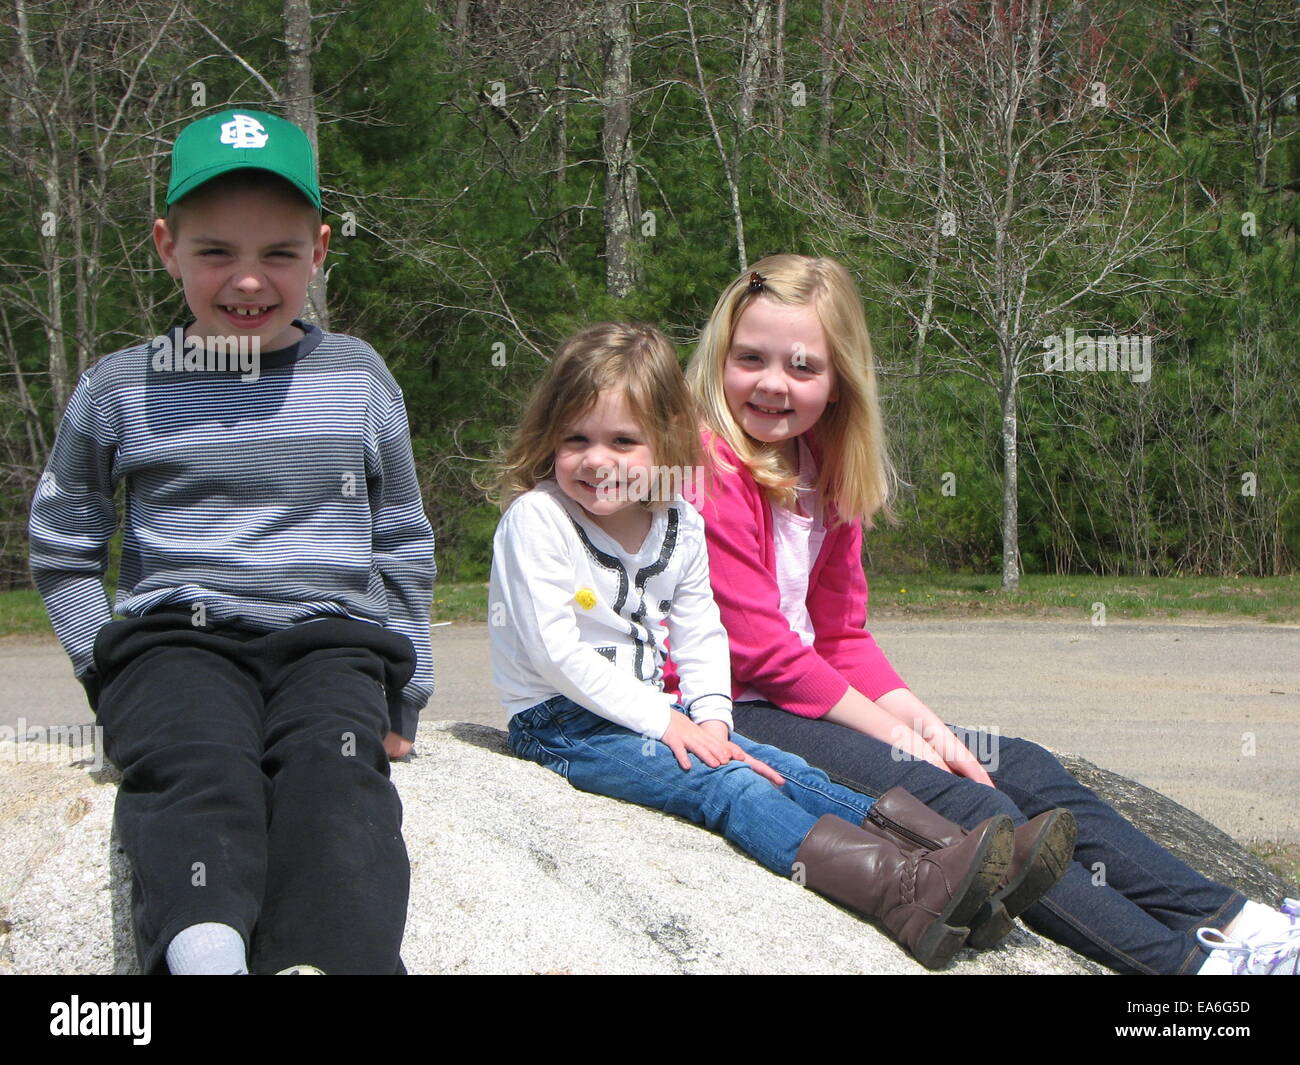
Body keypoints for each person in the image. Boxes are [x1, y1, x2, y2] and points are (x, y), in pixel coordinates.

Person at [681, 252, 1300, 976]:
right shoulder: (709, 464)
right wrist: (903, 742)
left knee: (1020, 763)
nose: (772, 384)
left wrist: (930, 726)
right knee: (969, 806)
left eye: (802, 366)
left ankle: (1237, 916)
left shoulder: (823, 465)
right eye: (749, 358)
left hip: (802, 696)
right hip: (725, 706)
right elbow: (759, 653)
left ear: (841, 379)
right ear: (720, 356)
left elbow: (842, 636)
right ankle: (1187, 966)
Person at [484, 321, 1070, 970]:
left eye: (624, 440)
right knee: (730, 785)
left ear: (666, 442)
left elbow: (702, 630)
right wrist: (669, 721)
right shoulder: (537, 520)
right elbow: (554, 654)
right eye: (576, 439)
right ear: (549, 437)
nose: (598, 460)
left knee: (792, 770)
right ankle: (901, 891)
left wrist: (710, 716)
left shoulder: (674, 518)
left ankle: (959, 861)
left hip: (659, 711)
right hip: (564, 725)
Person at [28, 109, 434, 975]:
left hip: (329, 642)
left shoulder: (357, 377)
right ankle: (201, 950)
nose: (248, 280)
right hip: (177, 638)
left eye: (279, 254)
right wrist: (103, 669)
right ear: (167, 244)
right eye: (216, 252)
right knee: (198, 762)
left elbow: (400, 534)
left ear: (319, 250)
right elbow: (64, 542)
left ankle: (332, 960)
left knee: (340, 785)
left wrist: (408, 689)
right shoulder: (121, 387)